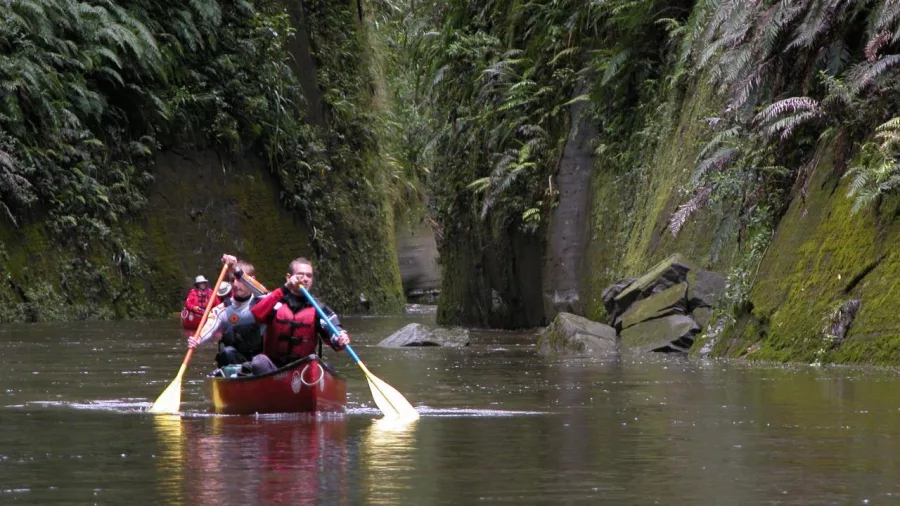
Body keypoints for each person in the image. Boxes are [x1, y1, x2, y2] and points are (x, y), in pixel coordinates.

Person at [249, 257, 351, 375]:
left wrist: (340, 337)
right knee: (259, 362)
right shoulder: (276, 300)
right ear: (289, 277)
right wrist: (285, 287)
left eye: (309, 276)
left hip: (304, 370)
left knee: (327, 369)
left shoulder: (318, 308)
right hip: (273, 368)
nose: (305, 279)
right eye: (300, 275)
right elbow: (256, 314)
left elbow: (334, 333)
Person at [187, 255, 268, 368]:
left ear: (251, 279)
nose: (235, 284)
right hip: (234, 363)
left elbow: (267, 293)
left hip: (258, 362)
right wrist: (197, 339)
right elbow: (209, 329)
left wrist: (236, 270)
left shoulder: (264, 302)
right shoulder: (222, 309)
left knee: (263, 360)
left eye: (239, 279)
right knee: (226, 352)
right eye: (232, 280)